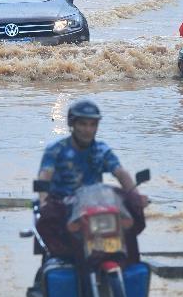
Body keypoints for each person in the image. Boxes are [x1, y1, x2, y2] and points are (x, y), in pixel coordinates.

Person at [35, 100, 148, 262]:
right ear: (72, 124)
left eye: (92, 124)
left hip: (94, 204)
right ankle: (62, 258)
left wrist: (136, 195)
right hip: (64, 204)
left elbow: (121, 173)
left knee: (133, 212)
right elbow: (44, 175)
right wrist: (43, 200)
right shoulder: (56, 150)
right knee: (45, 220)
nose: (88, 130)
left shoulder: (101, 150)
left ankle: (129, 263)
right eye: (83, 124)